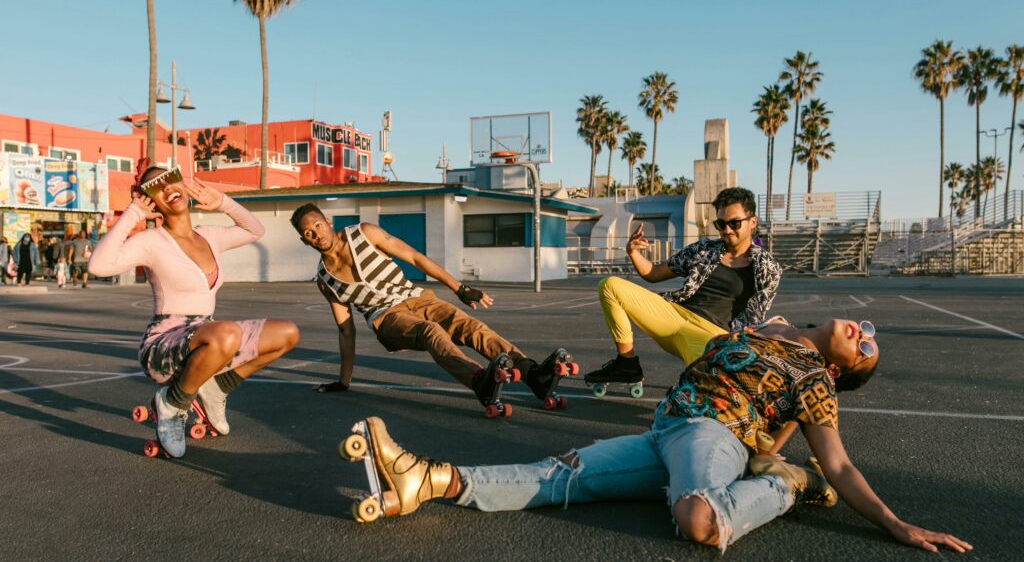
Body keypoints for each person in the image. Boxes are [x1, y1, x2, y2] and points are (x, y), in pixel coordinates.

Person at [342, 318, 973, 556]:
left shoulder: (816, 380)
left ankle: (781, 491)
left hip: (710, 436)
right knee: (561, 474)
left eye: (865, 345)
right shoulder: (770, 333)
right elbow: (771, 426)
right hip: (664, 432)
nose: (860, 330)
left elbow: (837, 463)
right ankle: (427, 480)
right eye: (865, 328)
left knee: (699, 520)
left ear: (841, 371)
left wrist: (896, 524)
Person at [89, 167, 300, 458]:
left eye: (171, 179)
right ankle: (173, 404)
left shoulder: (209, 235)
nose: (167, 189)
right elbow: (98, 266)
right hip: (163, 345)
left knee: (287, 333)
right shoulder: (151, 242)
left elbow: (255, 230)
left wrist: (223, 202)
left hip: (206, 339)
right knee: (226, 334)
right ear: (151, 201)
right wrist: (134, 214)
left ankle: (215, 389)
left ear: (182, 184)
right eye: (156, 187)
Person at [290, 203, 576, 415]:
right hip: (386, 319)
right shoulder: (326, 280)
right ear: (304, 241)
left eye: (317, 226)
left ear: (327, 221)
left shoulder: (364, 234)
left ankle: (533, 374)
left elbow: (415, 258)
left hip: (417, 298)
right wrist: (344, 381)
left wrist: (460, 289)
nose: (316, 234)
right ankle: (479, 380)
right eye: (308, 233)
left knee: (469, 326)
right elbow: (345, 330)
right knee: (431, 332)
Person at [585, 187, 782, 389]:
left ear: (752, 222)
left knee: (711, 388)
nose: (727, 229)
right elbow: (653, 274)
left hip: (711, 336)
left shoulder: (766, 268)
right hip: (673, 315)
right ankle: (626, 364)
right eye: (721, 223)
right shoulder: (704, 249)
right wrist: (633, 252)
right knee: (610, 286)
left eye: (735, 223)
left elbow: (755, 319)